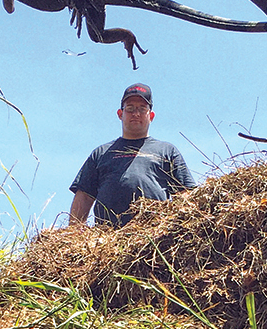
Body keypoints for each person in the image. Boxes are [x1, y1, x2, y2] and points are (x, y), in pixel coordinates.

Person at [68, 83, 197, 226]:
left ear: (151, 116)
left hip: (155, 235)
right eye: (130, 108)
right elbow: (84, 196)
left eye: (142, 109)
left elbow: (186, 195)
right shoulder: (101, 153)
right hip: (108, 238)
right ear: (120, 114)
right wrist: (75, 230)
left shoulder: (167, 151)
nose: (136, 114)